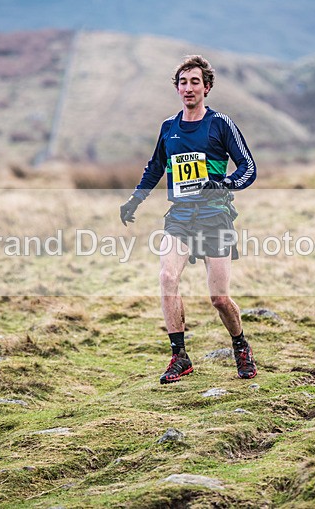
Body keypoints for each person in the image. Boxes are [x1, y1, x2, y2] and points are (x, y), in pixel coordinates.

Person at [119, 55, 258, 384]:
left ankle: (240, 345)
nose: (188, 88)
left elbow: (248, 168)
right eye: (183, 82)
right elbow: (155, 167)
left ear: (206, 87)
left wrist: (223, 183)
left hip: (215, 216)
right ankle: (179, 356)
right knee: (167, 278)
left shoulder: (220, 124)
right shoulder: (169, 128)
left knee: (219, 298)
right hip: (180, 216)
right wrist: (135, 200)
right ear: (177, 88)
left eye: (195, 82)